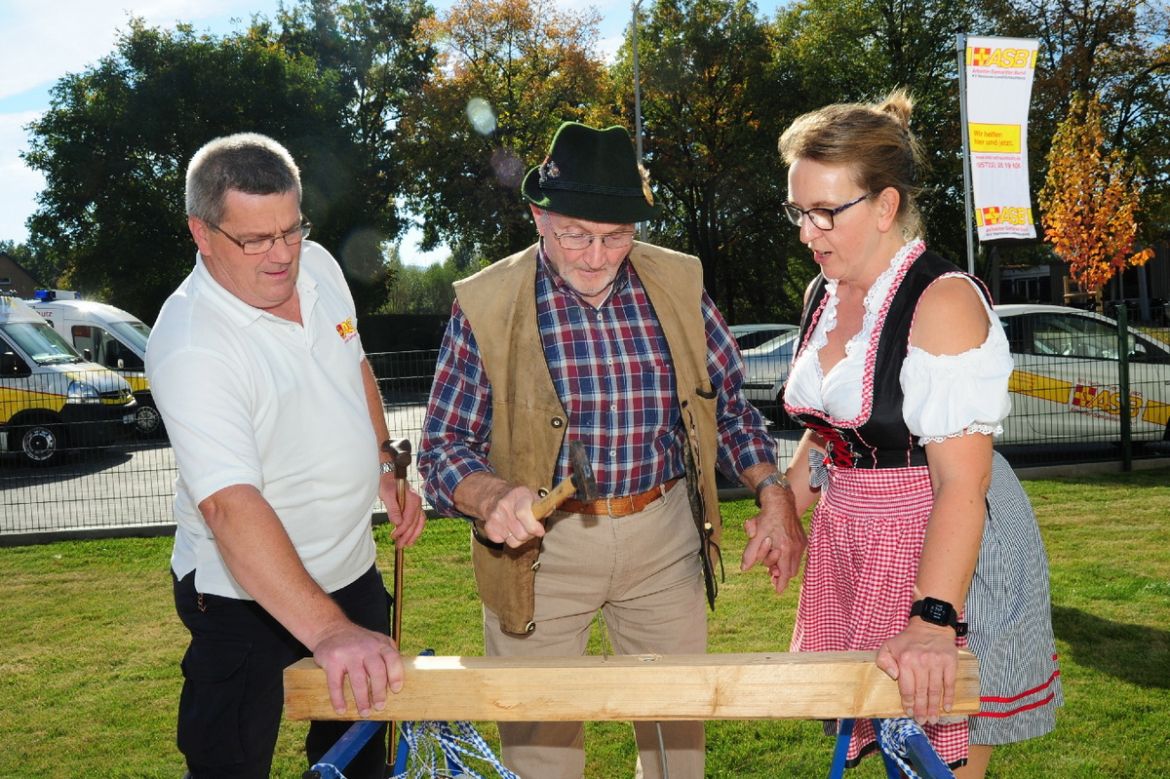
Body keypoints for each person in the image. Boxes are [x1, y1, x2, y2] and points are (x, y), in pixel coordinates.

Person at [417, 121, 806, 778]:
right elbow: (443, 447)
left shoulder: (679, 284)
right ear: (539, 215)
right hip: (540, 553)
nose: (596, 256)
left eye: (616, 236)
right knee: (541, 753)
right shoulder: (485, 302)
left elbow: (729, 405)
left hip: (663, 542)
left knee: (676, 751)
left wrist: (772, 489)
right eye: (575, 233)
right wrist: (491, 495)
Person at [774, 91, 1062, 776]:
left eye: (824, 213)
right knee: (890, 746)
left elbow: (963, 479)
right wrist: (788, 506)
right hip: (858, 533)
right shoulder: (827, 290)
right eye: (797, 211)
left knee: (939, 759)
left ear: (884, 205)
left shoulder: (944, 300)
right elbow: (835, 428)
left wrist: (936, 620)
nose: (808, 233)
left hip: (942, 537)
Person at [145, 132, 425, 779]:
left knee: (359, 758)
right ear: (202, 232)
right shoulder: (193, 343)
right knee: (231, 765)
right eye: (256, 240)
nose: (282, 256)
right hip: (240, 596)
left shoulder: (319, 265)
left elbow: (354, 364)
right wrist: (329, 632)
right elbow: (228, 504)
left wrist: (383, 464)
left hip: (350, 570)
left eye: (292, 230)